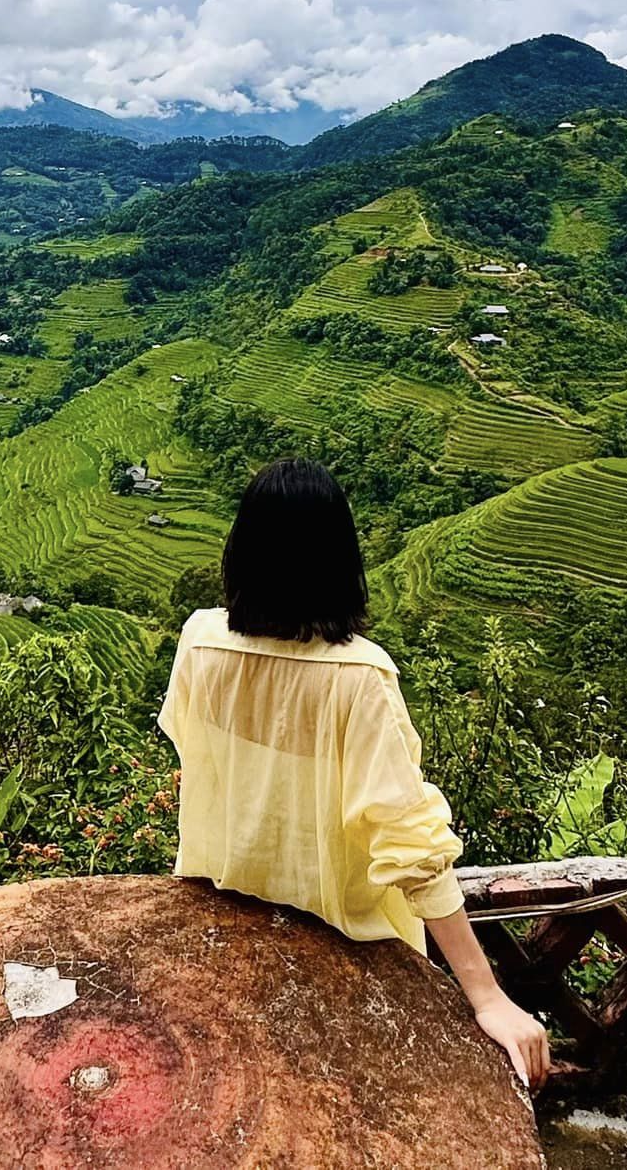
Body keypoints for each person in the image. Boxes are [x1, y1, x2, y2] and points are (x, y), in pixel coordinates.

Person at [158, 456, 552, 1090]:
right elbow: (412, 844)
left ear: (243, 550)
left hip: (225, 911)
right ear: (339, 559)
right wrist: (486, 997)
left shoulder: (200, 642)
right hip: (347, 939)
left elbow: (188, 744)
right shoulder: (360, 677)